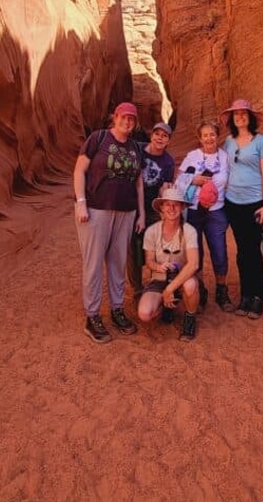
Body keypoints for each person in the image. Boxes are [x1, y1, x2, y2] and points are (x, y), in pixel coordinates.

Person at [73, 102, 145, 343]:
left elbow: (138, 183)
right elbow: (79, 170)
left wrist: (141, 213)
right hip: (96, 209)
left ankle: (117, 310)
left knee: (118, 264)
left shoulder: (135, 147)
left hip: (126, 212)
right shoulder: (98, 138)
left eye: (132, 119)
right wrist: (81, 201)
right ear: (115, 117)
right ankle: (92, 316)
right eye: (124, 117)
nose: (128, 122)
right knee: (93, 265)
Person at [221, 99, 263, 319]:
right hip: (233, 202)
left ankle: (258, 294)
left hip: (255, 202)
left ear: (250, 117)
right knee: (242, 250)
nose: (240, 117)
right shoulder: (228, 141)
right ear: (232, 119)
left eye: (244, 113)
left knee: (253, 249)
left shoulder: (261, 141)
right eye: (236, 114)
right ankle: (245, 294)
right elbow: (222, 169)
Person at [176, 121, 233, 312]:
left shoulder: (224, 157)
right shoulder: (192, 156)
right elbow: (179, 179)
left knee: (219, 251)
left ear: (217, 137)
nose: (209, 138)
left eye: (212, 135)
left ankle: (221, 290)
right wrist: (194, 179)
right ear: (199, 138)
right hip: (194, 210)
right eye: (205, 135)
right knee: (196, 252)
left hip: (217, 210)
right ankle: (200, 290)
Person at [136, 187, 201, 341]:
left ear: (182, 207)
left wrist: (169, 289)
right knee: (145, 314)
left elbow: (193, 265)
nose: (171, 208)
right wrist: (158, 267)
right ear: (161, 208)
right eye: (167, 204)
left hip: (182, 279)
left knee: (190, 285)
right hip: (159, 279)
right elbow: (149, 261)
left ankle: (190, 318)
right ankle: (166, 306)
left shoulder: (189, 230)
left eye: (176, 204)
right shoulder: (152, 231)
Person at [128, 122, 177, 300]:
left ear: (168, 140)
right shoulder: (138, 149)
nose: (160, 138)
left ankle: (156, 282)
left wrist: (164, 213)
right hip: (132, 206)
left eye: (164, 136)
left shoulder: (168, 161)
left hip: (152, 208)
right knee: (134, 249)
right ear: (151, 135)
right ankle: (137, 289)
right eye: (157, 134)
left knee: (158, 247)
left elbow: (164, 187)